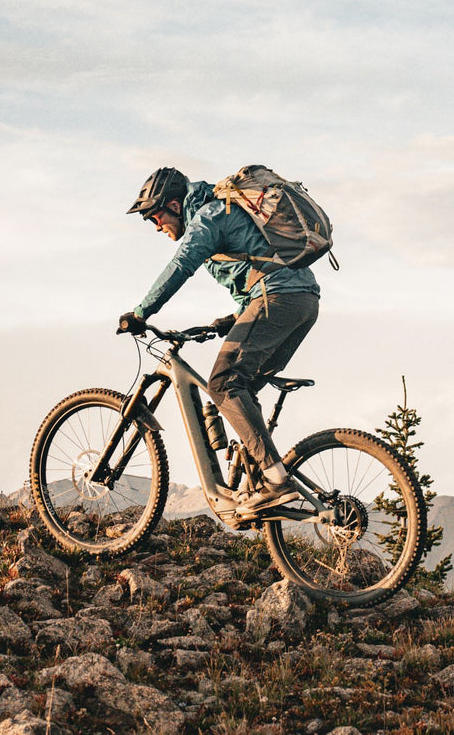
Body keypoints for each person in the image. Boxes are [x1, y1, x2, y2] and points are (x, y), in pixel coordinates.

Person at [119, 166, 320, 515]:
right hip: (303, 301)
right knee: (240, 391)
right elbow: (253, 271)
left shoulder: (209, 216)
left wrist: (141, 313)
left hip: (277, 298)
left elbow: (181, 265)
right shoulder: (225, 212)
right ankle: (261, 481)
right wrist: (233, 318)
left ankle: (276, 481)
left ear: (174, 205)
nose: (156, 226)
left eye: (155, 217)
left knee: (223, 384)